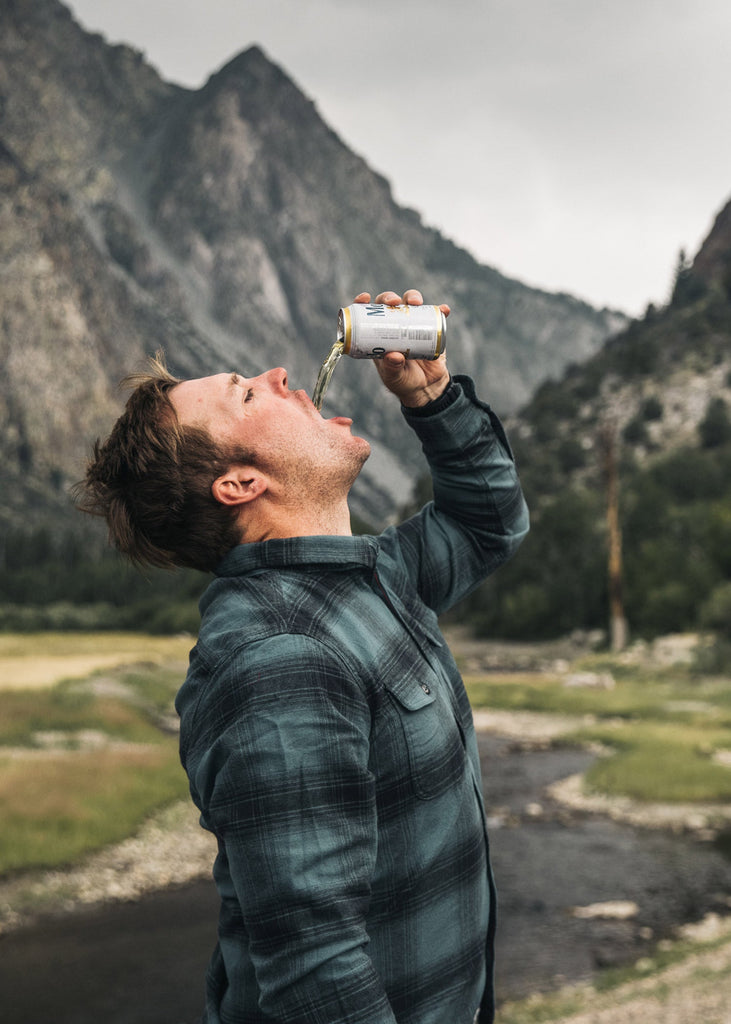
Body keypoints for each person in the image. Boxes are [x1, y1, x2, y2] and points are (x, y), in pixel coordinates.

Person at [76, 287, 529, 1024]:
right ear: (240, 483)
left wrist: (434, 397)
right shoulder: (276, 661)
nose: (283, 373)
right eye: (248, 393)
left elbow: (488, 523)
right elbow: (316, 974)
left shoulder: (370, 574)